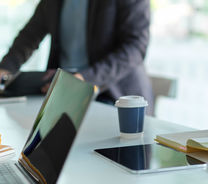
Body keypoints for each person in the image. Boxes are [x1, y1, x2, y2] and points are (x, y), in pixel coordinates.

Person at [0, 0, 154, 114]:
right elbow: (29, 36)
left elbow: (135, 46)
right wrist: (5, 68)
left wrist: (83, 78)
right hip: (64, 95)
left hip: (113, 97)